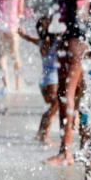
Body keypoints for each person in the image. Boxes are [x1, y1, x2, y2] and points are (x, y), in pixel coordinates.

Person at [7, 0, 91, 166]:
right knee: (69, 95)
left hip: (76, 39)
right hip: (72, 37)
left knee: (67, 94)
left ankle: (67, 151)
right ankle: (72, 148)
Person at [18, 13, 60, 144]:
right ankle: (43, 135)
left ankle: (41, 134)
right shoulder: (56, 43)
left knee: (53, 107)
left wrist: (23, 35)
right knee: (54, 108)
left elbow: (30, 39)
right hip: (52, 80)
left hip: (43, 81)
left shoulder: (42, 42)